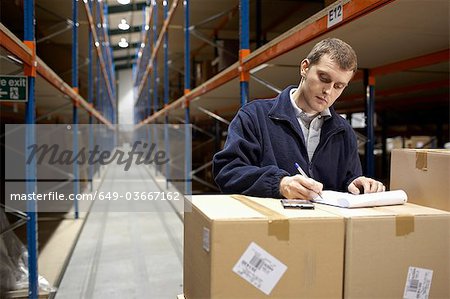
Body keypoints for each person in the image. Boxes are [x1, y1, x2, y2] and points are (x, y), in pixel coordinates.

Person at [213, 38, 385, 199]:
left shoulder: (343, 131)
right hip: (270, 226)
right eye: (323, 78)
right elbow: (227, 171)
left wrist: (354, 184)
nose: (328, 91)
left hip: (324, 227)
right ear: (304, 68)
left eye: (339, 86)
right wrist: (279, 184)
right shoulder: (254, 116)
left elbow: (347, 179)